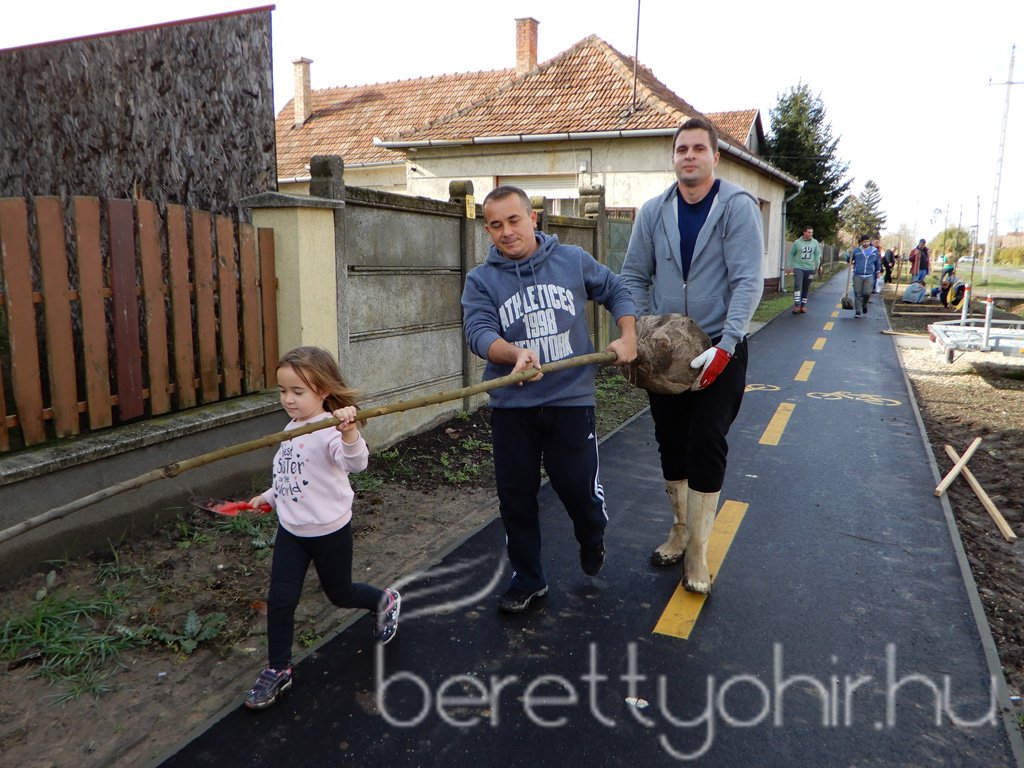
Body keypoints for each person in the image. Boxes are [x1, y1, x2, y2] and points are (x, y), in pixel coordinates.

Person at [461, 185, 638, 614]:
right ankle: (529, 579)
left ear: (533, 218)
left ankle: (592, 532)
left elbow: (617, 289)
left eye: (514, 220)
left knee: (577, 488)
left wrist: (629, 335)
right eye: (496, 225)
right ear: (487, 230)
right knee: (515, 496)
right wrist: (512, 354)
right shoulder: (481, 279)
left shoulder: (572, 260)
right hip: (511, 406)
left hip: (570, 398)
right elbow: (479, 331)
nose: (506, 232)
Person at [620, 116, 763, 595]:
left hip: (719, 350)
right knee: (670, 441)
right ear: (674, 157)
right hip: (666, 356)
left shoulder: (738, 208)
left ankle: (699, 551)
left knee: (706, 441)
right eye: (682, 149)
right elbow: (633, 276)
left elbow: (747, 280)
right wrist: (645, 331)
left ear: (715, 157)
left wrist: (727, 346)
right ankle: (679, 530)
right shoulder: (652, 212)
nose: (689, 156)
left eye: (699, 148)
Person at [243, 346, 400, 709]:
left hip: (329, 531)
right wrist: (269, 496)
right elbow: (289, 473)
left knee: (340, 594)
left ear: (324, 391)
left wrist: (349, 431)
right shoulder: (291, 427)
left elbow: (356, 462)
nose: (288, 400)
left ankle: (384, 600)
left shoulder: (330, 430)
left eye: (298, 392)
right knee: (280, 600)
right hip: (292, 530)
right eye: (283, 391)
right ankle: (278, 668)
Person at [787, 226, 822, 314]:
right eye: (809, 232)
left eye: (812, 232)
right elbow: (791, 254)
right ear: (804, 232)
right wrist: (788, 265)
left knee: (806, 287)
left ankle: (803, 305)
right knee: (798, 286)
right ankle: (797, 305)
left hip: (810, 269)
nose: (811, 234)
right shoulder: (797, 242)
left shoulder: (815, 243)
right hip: (798, 267)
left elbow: (817, 254)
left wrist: (818, 265)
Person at [848, 235, 881, 317]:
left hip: (869, 275)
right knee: (857, 293)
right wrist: (850, 254)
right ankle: (858, 312)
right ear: (861, 242)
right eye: (864, 242)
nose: (866, 243)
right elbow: (849, 260)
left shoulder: (874, 251)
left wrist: (878, 271)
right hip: (858, 274)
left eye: (867, 241)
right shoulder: (856, 250)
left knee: (867, 293)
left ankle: (864, 304)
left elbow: (877, 262)